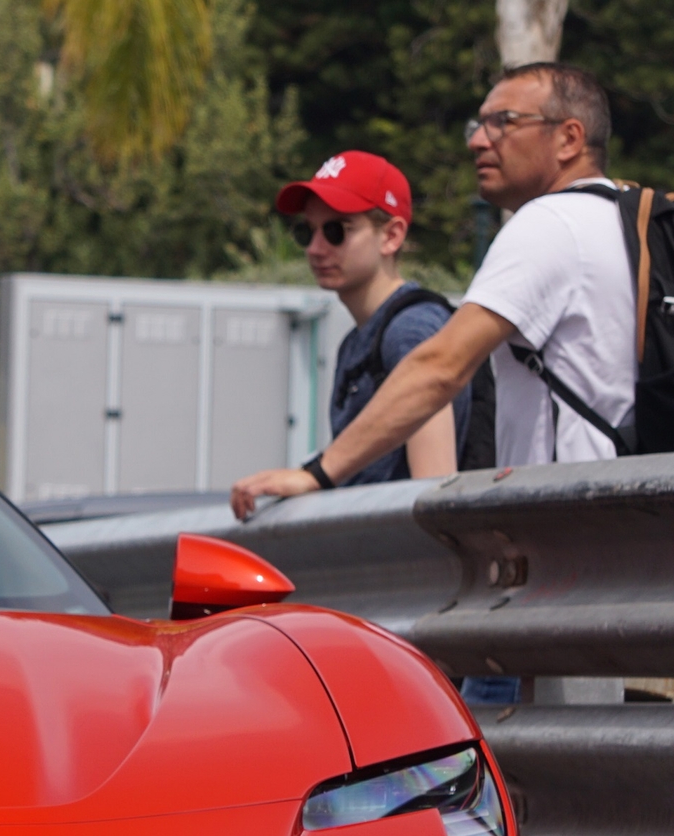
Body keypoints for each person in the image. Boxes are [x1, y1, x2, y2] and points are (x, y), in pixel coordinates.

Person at [231, 63, 635, 519]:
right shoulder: (618, 218)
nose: (478, 140)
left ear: (569, 138)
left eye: (504, 122)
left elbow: (441, 370)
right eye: (308, 232)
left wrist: (316, 474)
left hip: (569, 525)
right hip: (603, 517)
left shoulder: (550, 225)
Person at [276, 151, 469, 495]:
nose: (315, 249)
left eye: (337, 231)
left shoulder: (411, 332)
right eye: (307, 232)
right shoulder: (358, 340)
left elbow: (432, 493)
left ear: (392, 235)